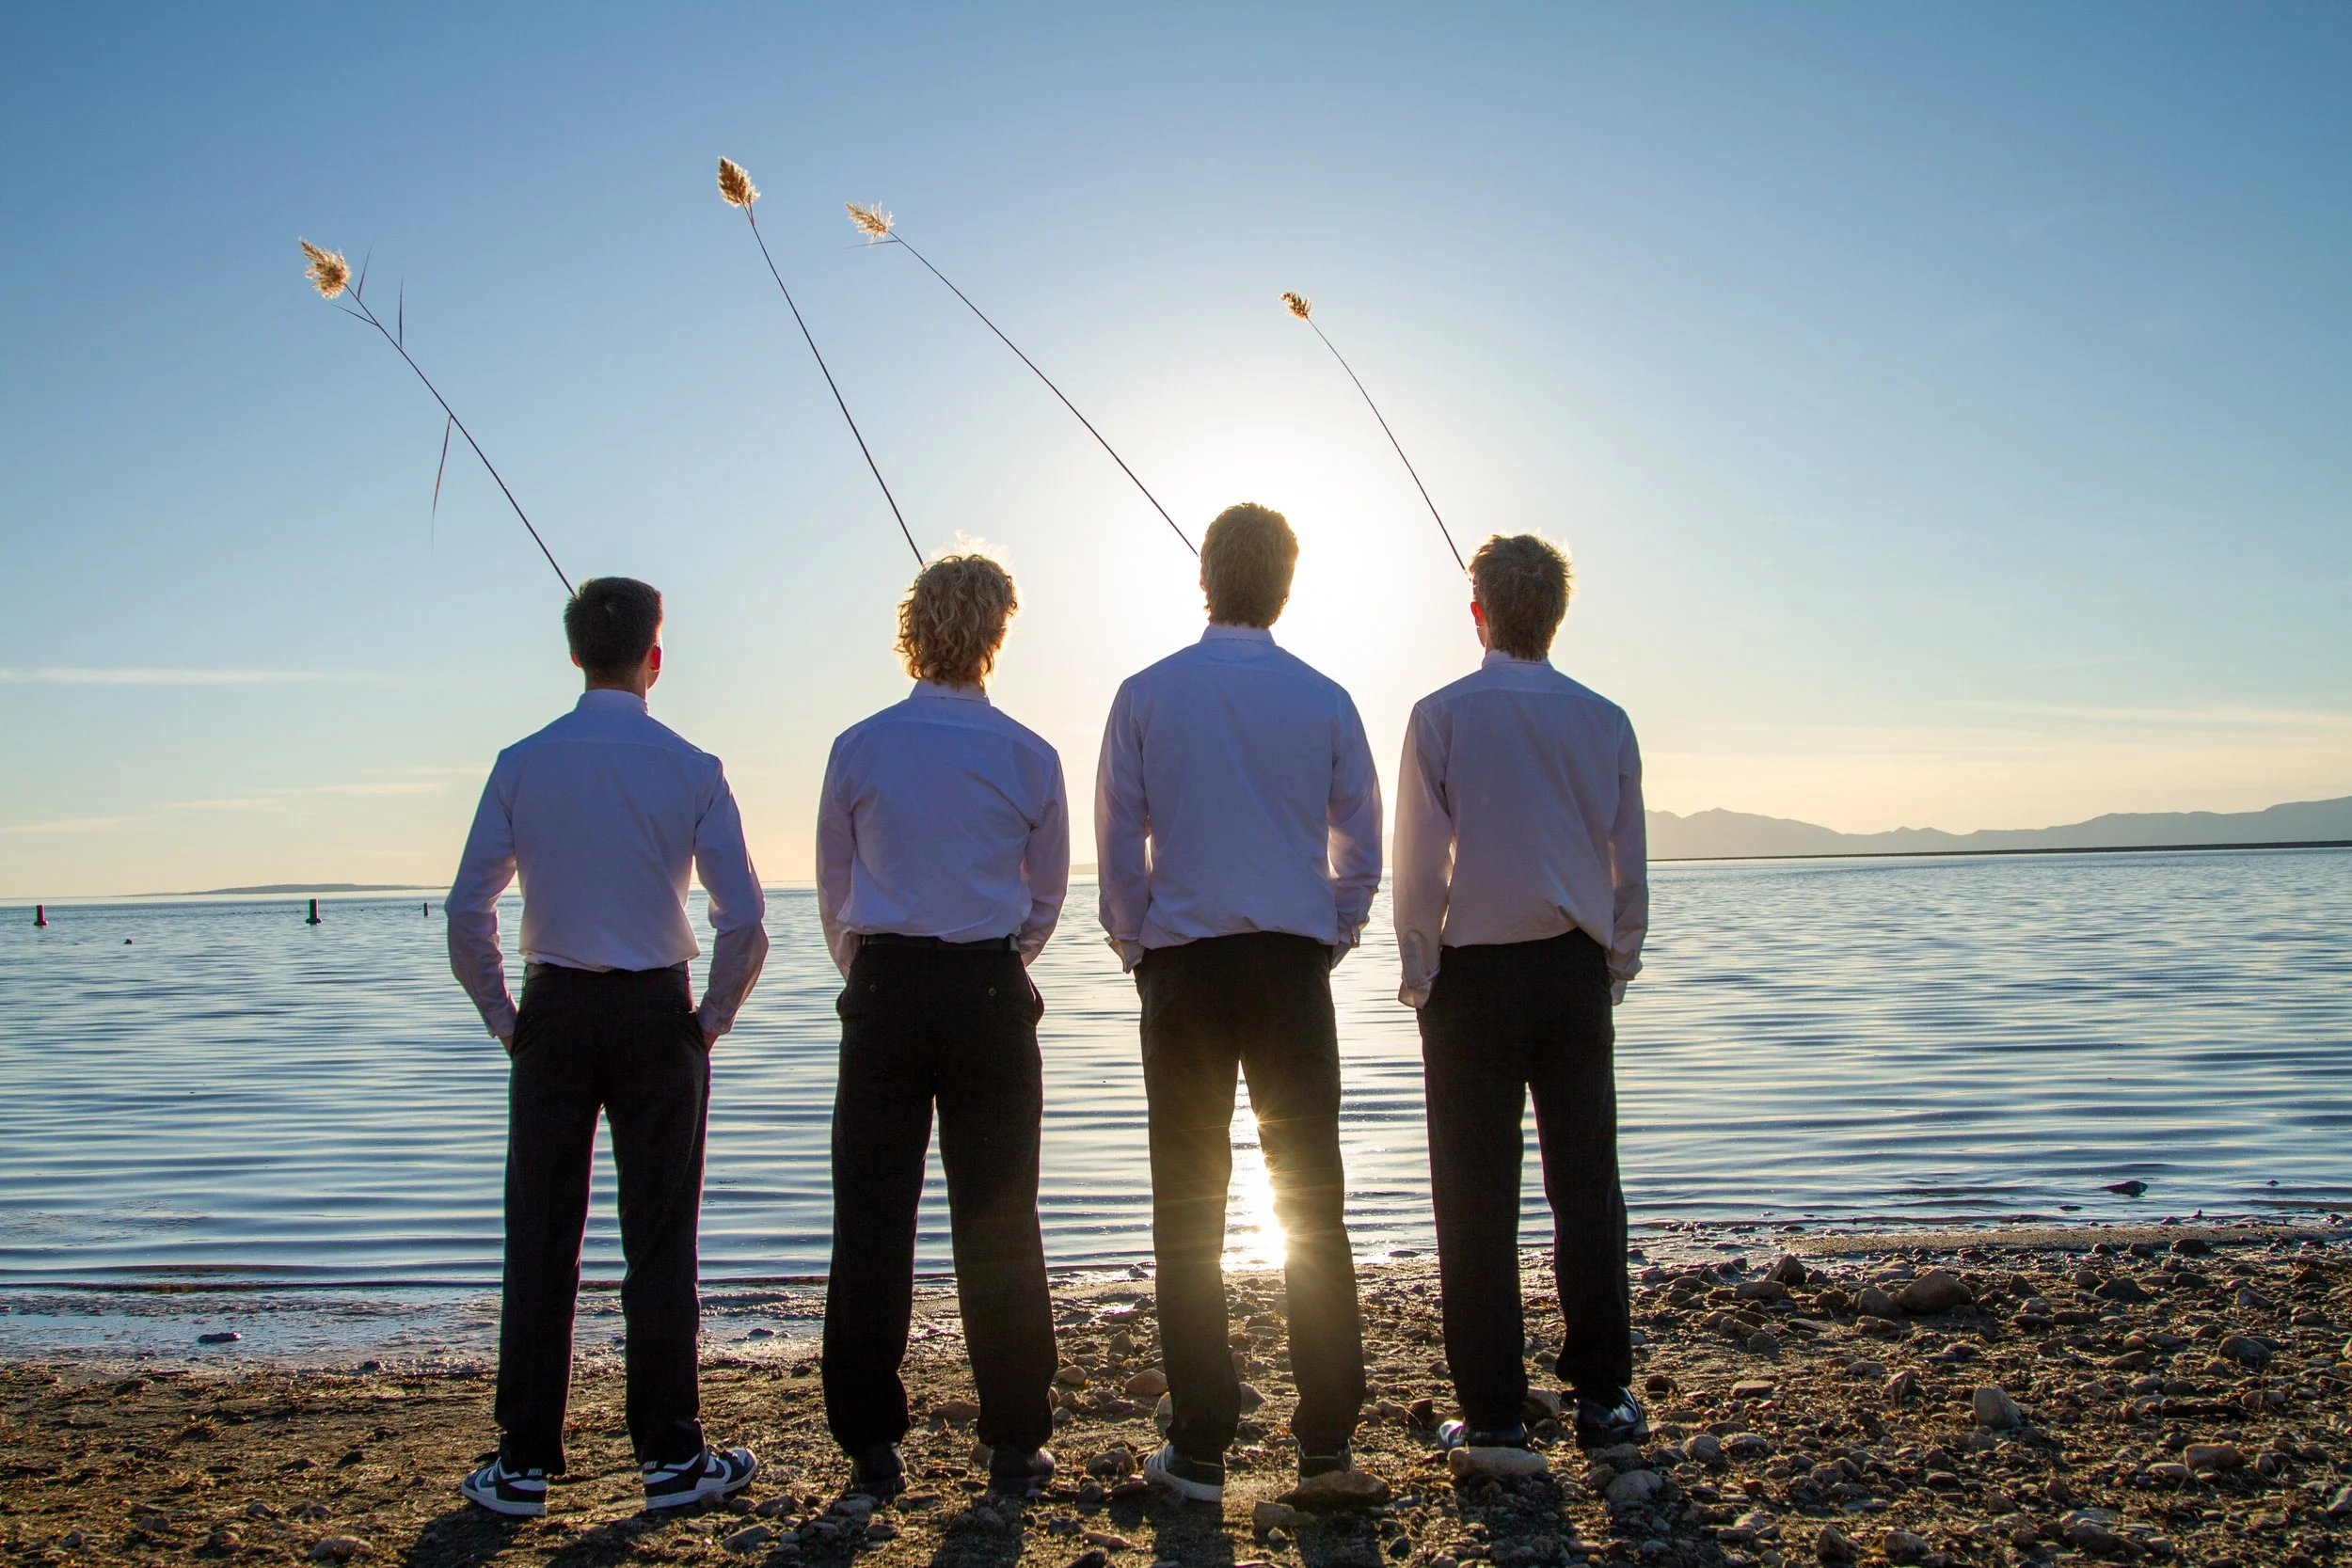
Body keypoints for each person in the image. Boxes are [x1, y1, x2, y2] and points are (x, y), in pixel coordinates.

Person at [447, 576, 770, 1516]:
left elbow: (469, 911)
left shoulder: (523, 761)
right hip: (654, 1015)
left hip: (552, 1010)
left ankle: (522, 1464)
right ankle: (670, 1455)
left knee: (541, 1238)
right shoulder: (691, 766)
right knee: (660, 1243)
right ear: (653, 658)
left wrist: (508, 1017)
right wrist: (710, 1019)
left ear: (574, 653)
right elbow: (744, 919)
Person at [1096, 502, 1381, 1503]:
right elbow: (1362, 849)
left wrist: (1140, 949)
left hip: (1184, 969)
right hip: (1289, 967)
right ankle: (1326, 1443)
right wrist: (1327, 937)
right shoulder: (1326, 698)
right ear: (1285, 585)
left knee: (1190, 1206)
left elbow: (1119, 847)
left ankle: (1204, 1444)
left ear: (1205, 577)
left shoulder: (1145, 693)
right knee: (1313, 1196)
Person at [1391, 533, 1649, 1463]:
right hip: (1575, 967)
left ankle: (1496, 1410)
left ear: (1479, 612)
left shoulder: (1440, 714)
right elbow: (1628, 860)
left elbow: (1418, 861)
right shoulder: (1604, 718)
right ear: (1555, 614)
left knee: (1473, 1194)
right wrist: (1614, 960)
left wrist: (1419, 968)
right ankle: (1604, 1396)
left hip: (1473, 977)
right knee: (1587, 1187)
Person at [816, 553, 1068, 1499]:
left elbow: (836, 894)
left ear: (913, 629)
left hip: (884, 992)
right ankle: (1012, 1435)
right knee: (999, 1219)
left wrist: (878, 968)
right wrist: (991, 961)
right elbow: (1043, 901)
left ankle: (871, 1441)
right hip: (989, 993)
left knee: (873, 1218)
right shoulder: (1028, 753)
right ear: (997, 632)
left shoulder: (861, 745)